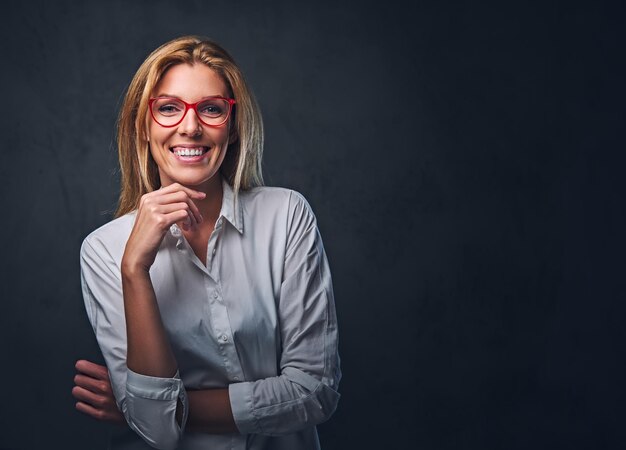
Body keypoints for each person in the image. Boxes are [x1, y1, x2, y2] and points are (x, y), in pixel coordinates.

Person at [71, 35, 341, 450]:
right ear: (143, 126)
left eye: (212, 109)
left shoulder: (286, 216)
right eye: (168, 108)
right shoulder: (105, 251)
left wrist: (157, 407)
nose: (191, 126)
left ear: (232, 128)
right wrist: (135, 270)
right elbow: (157, 433)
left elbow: (314, 392)